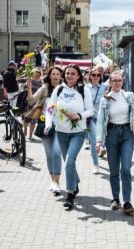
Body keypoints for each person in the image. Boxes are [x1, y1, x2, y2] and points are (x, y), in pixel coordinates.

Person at [95, 72, 134, 214]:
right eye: (114, 80)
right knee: (114, 169)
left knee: (126, 168)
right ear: (109, 82)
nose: (117, 83)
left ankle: (127, 201)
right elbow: (99, 121)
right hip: (112, 134)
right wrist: (99, 140)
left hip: (127, 134)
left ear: (122, 81)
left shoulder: (128, 96)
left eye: (119, 80)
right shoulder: (105, 100)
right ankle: (116, 198)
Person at [45, 64, 94, 210]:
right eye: (67, 73)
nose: (69, 76)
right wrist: (49, 123)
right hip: (61, 132)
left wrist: (78, 116)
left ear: (78, 76)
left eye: (73, 73)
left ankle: (70, 195)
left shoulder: (83, 90)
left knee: (70, 161)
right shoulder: (58, 89)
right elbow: (50, 108)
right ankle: (75, 182)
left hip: (78, 132)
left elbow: (90, 110)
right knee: (68, 162)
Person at [27, 66, 64, 195]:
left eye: (57, 74)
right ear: (49, 76)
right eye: (53, 74)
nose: (55, 76)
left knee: (56, 153)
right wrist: (30, 88)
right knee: (49, 155)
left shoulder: (65, 89)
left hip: (61, 126)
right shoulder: (45, 88)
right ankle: (53, 181)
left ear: (60, 76)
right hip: (45, 124)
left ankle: (57, 182)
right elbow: (31, 100)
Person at [86, 68, 109, 173]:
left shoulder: (105, 87)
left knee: (102, 139)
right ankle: (96, 165)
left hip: (102, 118)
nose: (96, 77)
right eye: (94, 75)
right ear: (90, 76)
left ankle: (102, 147)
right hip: (91, 117)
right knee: (94, 141)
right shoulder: (86, 88)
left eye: (98, 75)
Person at [23, 68, 44, 141]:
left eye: (39, 72)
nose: (37, 73)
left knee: (33, 120)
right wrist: (27, 85)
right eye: (36, 72)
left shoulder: (41, 83)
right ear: (33, 72)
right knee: (26, 119)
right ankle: (25, 130)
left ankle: (30, 136)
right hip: (29, 102)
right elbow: (23, 85)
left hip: (36, 103)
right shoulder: (29, 80)